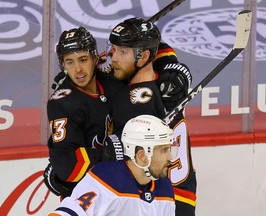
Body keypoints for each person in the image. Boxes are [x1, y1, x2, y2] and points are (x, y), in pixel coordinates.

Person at [106, 17, 197, 216]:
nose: (113, 58)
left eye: (122, 52)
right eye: (114, 49)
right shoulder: (162, 84)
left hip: (158, 199)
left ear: (145, 56)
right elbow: (162, 49)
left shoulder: (133, 101)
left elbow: (126, 163)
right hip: (181, 194)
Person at [43, 26, 124, 197]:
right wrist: (112, 155)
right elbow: (68, 165)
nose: (78, 69)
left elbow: (144, 49)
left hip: (124, 189)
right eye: (69, 62)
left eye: (83, 59)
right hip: (86, 198)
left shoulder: (112, 79)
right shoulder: (62, 104)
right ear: (62, 65)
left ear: (95, 59)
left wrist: (169, 65)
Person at [48, 115, 177, 216]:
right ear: (142, 155)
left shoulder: (164, 188)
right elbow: (69, 213)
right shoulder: (107, 180)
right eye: (164, 150)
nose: (170, 157)